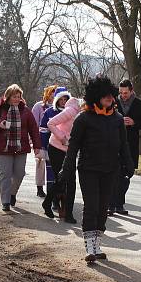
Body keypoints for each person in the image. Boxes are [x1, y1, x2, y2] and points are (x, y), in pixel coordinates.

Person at [57, 76, 133, 263]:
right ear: (96, 96)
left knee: (102, 208)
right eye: (105, 95)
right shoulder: (83, 118)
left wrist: (128, 164)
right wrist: (66, 170)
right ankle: (90, 248)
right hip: (88, 169)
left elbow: (124, 145)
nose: (109, 98)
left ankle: (97, 244)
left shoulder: (117, 119)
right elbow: (73, 147)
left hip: (110, 170)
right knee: (91, 206)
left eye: (111, 95)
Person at [0, 85, 41, 212]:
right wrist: (0, 124)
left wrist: (37, 146)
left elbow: (33, 129)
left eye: (19, 96)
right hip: (3, 147)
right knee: (5, 174)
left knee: (19, 173)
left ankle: (12, 193)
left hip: (21, 147)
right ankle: (5, 201)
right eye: (14, 96)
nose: (17, 99)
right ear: (8, 96)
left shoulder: (26, 111)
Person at [112, 79, 141, 215]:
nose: (123, 95)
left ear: (131, 90)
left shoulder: (140, 104)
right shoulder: (113, 103)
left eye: (126, 93)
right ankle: (113, 204)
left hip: (131, 144)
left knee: (127, 174)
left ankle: (119, 203)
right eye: (121, 93)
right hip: (115, 143)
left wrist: (134, 122)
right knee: (114, 174)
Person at [46, 88, 79, 223]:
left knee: (71, 182)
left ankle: (68, 214)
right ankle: (49, 203)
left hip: (69, 151)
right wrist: (63, 138)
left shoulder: (85, 113)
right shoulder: (71, 111)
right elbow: (50, 123)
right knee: (62, 180)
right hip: (56, 148)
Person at [39, 86, 67, 216]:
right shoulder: (49, 112)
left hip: (67, 150)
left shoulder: (70, 112)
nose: (63, 101)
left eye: (65, 98)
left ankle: (60, 202)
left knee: (63, 178)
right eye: (60, 99)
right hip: (52, 148)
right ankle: (52, 201)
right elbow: (43, 130)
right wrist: (43, 148)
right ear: (56, 99)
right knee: (53, 177)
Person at [32, 85, 57, 198]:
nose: (53, 95)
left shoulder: (60, 108)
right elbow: (33, 125)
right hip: (41, 140)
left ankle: (53, 188)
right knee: (40, 164)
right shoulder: (39, 106)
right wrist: (35, 141)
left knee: (53, 166)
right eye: (52, 92)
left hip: (55, 142)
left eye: (55, 93)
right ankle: (39, 187)